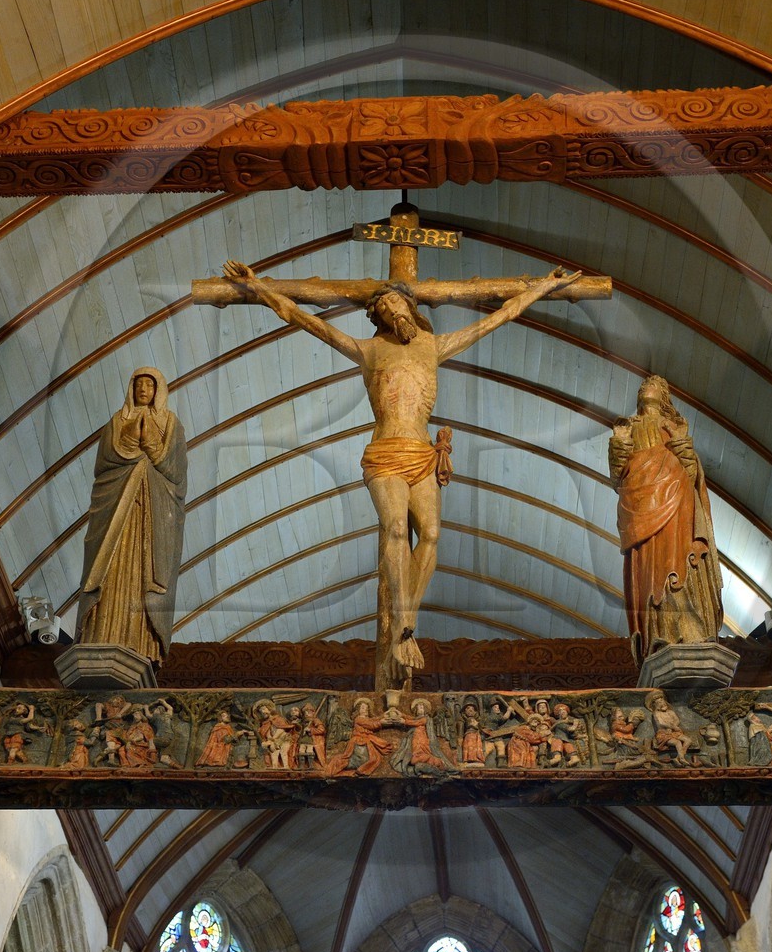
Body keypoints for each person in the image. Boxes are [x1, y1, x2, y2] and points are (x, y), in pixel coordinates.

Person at [223, 258, 579, 689]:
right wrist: (257, 287)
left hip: (422, 455)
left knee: (430, 535)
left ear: (411, 308)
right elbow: (305, 320)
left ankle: (406, 621)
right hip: (385, 452)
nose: (395, 314)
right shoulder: (369, 350)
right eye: (386, 311)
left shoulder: (433, 346)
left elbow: (498, 319)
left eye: (398, 306)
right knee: (394, 528)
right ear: (379, 319)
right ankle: (401, 630)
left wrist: (541, 288)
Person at [76, 366, 187, 671]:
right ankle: (100, 634)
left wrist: (150, 444)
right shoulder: (117, 420)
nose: (143, 390)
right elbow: (104, 464)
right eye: (138, 385)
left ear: (158, 391)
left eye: (149, 386)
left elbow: (175, 474)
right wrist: (130, 440)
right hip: (116, 513)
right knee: (110, 570)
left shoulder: (169, 423)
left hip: (151, 517)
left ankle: (140, 642)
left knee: (142, 576)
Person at [608, 375, 724, 662]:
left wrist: (683, 448)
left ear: (664, 396)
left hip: (677, 500)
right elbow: (618, 475)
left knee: (679, 560)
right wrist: (618, 444)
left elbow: (691, 470)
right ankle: (659, 634)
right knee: (650, 568)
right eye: (643, 386)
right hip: (640, 504)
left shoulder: (673, 426)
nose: (646, 388)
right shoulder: (628, 427)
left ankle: (690, 629)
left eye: (654, 386)